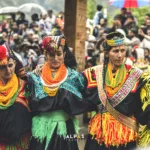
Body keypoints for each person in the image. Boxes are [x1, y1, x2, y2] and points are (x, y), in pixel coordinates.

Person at [23, 35, 94, 150]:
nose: (55, 58)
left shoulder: (74, 77)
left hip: (65, 128)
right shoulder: (34, 77)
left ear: (64, 55)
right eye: (51, 55)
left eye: (59, 54)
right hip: (41, 129)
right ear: (45, 55)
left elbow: (88, 96)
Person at [83, 32, 150, 150]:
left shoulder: (137, 76)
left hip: (126, 134)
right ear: (106, 53)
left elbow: (142, 109)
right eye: (115, 51)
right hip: (100, 132)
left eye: (122, 50)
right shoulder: (93, 74)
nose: (120, 55)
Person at [0, 43, 31, 149]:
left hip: (21, 144)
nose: (8, 70)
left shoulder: (25, 86)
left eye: (10, 65)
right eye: (2, 67)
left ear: (15, 64)